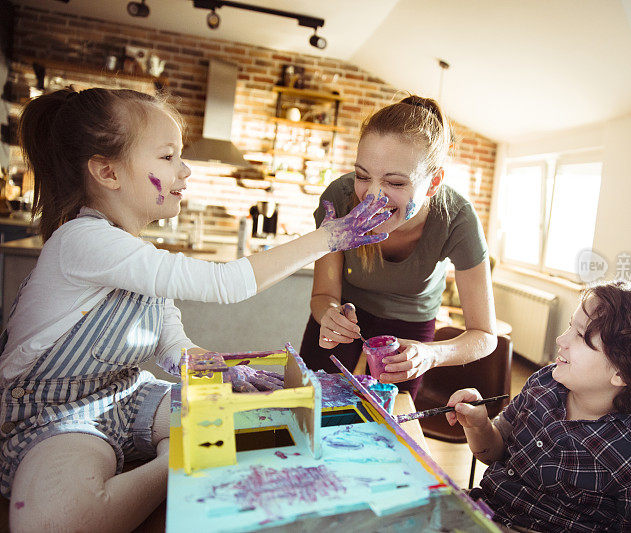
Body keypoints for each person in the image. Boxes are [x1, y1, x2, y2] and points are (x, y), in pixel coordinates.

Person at [0, 87, 390, 532]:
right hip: (57, 416)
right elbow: (224, 284)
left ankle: (179, 449)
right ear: (107, 171)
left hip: (128, 401)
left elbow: (173, 347)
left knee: (269, 429)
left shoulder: (137, 256)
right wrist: (330, 237)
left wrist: (222, 371)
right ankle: (177, 462)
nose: (184, 171)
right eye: (167, 157)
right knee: (56, 523)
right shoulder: (81, 242)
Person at [447, 280, 631, 532]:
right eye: (570, 326)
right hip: (479, 511)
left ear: (625, 372)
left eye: (580, 335)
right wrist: (479, 425)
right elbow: (493, 454)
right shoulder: (544, 383)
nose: (561, 339)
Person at [299, 95, 497, 398]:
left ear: (433, 183)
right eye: (363, 176)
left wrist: (431, 354)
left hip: (411, 324)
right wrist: (328, 314)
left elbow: (484, 335)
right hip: (345, 312)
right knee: (309, 400)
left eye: (396, 183)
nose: (373, 196)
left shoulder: (458, 218)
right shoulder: (338, 197)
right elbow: (324, 295)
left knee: (389, 418)